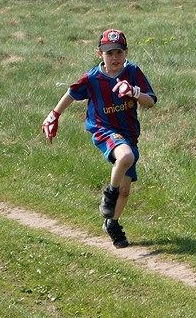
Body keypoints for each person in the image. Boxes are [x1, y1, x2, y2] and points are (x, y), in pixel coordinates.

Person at [41, 29, 157, 248]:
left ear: (126, 53)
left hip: (128, 134)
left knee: (126, 188)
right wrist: (53, 115)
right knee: (125, 157)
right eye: (108, 53)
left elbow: (150, 101)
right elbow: (71, 93)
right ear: (99, 54)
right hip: (104, 129)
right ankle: (109, 195)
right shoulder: (93, 78)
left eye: (118, 52)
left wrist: (133, 92)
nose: (114, 57)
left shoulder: (133, 72)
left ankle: (111, 223)